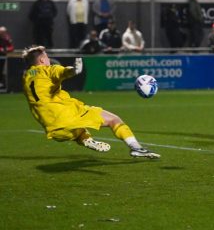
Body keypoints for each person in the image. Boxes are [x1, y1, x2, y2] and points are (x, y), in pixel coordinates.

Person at [21, 46, 159, 158]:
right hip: (68, 117)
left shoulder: (26, 77)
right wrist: (74, 70)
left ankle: (85, 139)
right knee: (114, 120)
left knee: (79, 130)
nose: (49, 60)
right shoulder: (48, 70)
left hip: (54, 130)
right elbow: (64, 72)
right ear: (41, 61)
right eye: (46, 57)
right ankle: (136, 148)